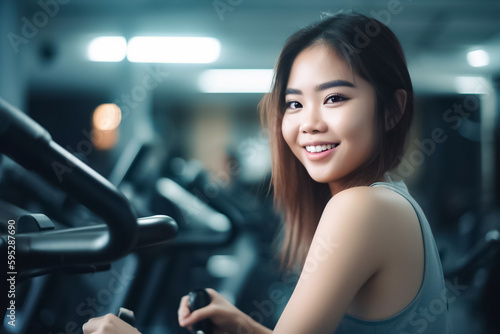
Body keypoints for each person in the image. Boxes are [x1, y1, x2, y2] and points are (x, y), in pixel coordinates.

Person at [83, 11, 451, 334]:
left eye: (335, 98)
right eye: (294, 103)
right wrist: (245, 326)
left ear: (392, 110)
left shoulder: (362, 207)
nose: (309, 123)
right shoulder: (389, 199)